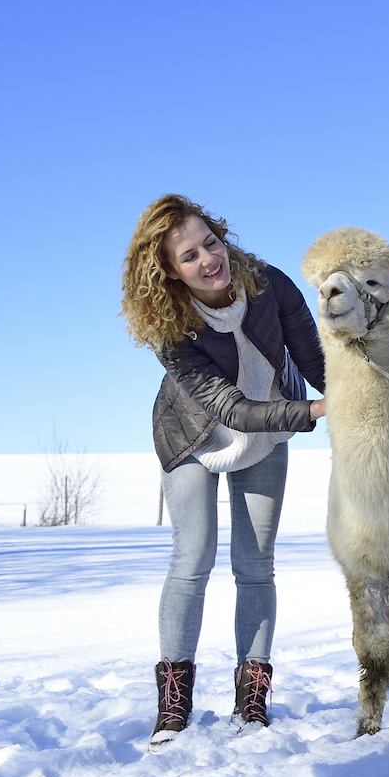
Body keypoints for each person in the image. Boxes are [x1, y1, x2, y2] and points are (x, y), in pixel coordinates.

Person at [121, 194, 327, 746]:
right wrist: (310, 412)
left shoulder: (270, 284)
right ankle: (173, 702)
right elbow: (230, 407)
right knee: (193, 558)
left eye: (210, 242)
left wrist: (367, 395)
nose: (208, 260)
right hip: (194, 436)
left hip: (269, 434)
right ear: (168, 271)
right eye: (188, 256)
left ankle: (252, 698)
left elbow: (315, 361)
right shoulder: (170, 326)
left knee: (255, 564)